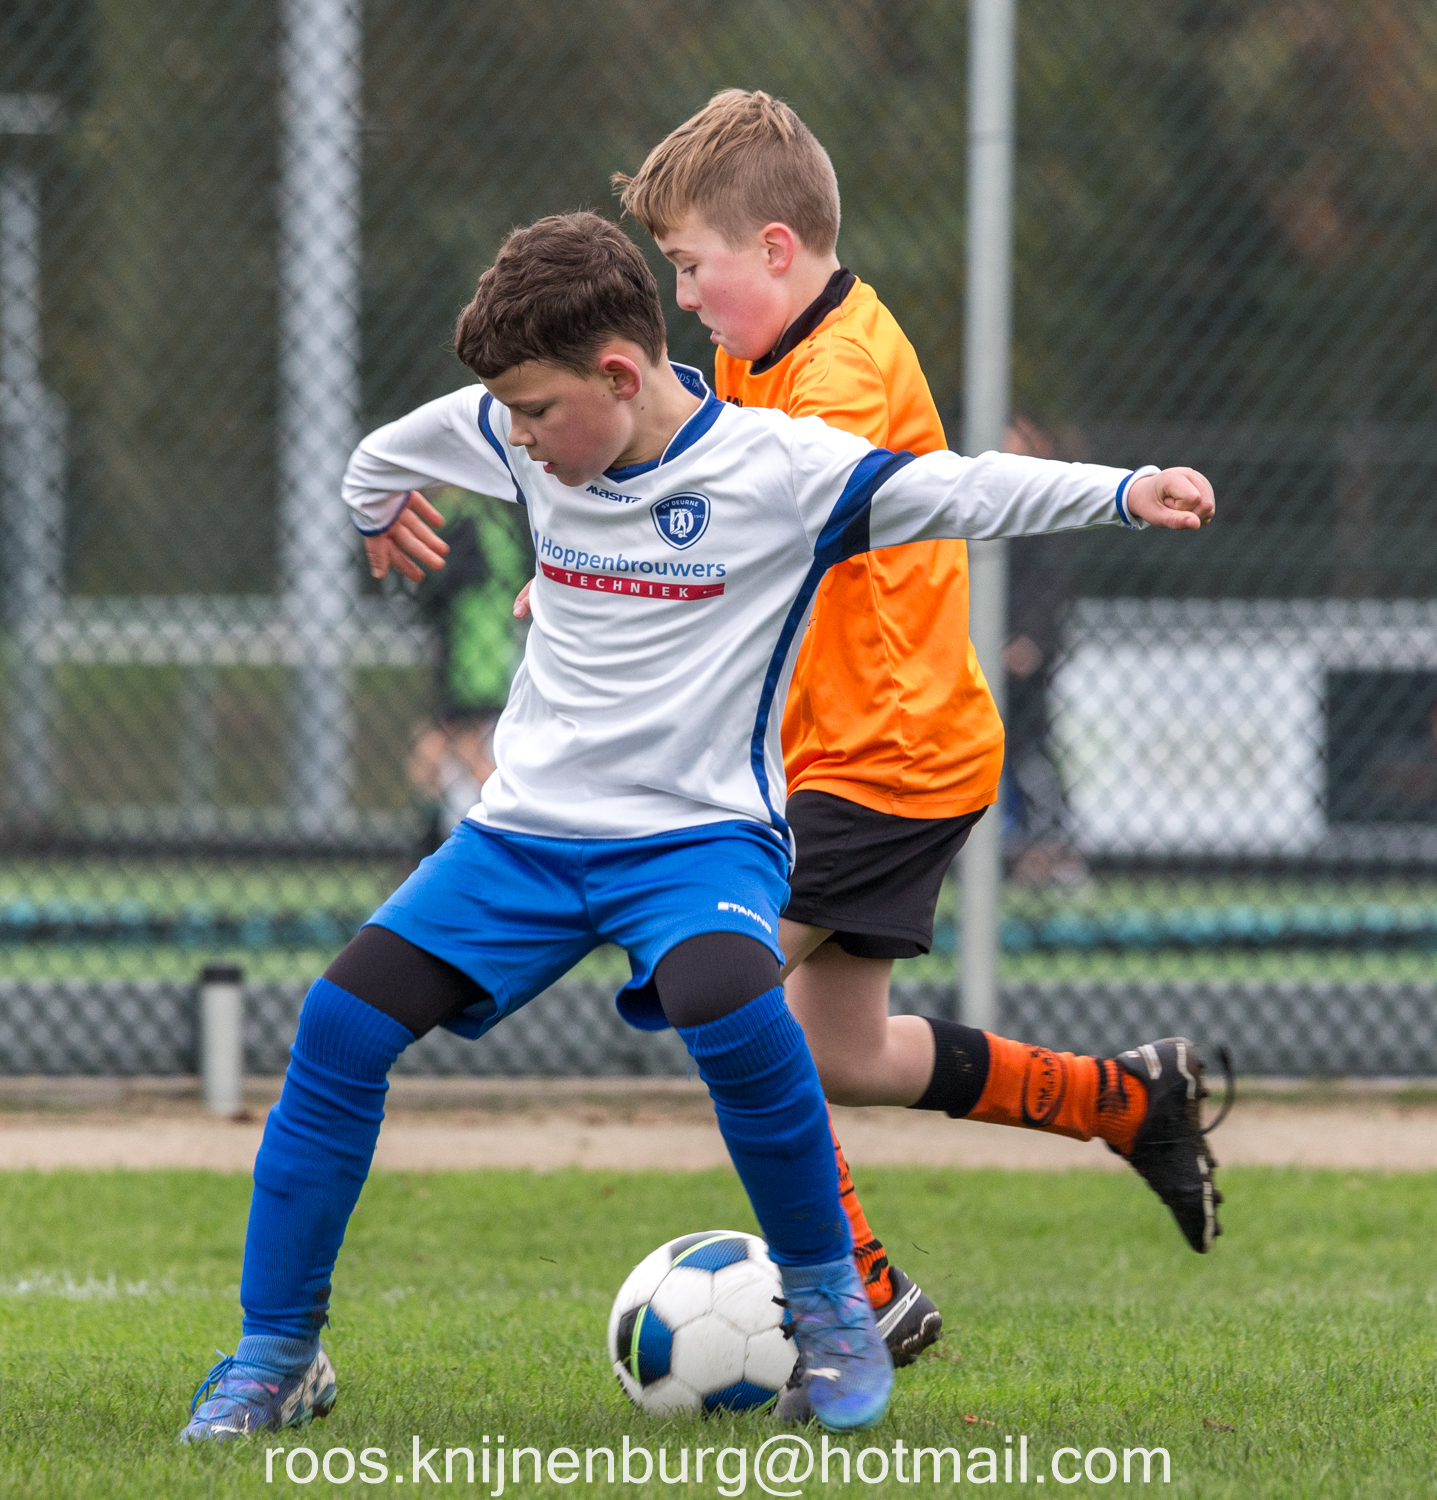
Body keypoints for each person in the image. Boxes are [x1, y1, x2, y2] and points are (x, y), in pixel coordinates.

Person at [180, 210, 1213, 1443]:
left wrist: (1123, 494)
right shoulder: (514, 428)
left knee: (732, 1003)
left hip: (697, 841)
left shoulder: (779, 469)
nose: (515, 439)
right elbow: (383, 452)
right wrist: (372, 508)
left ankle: (835, 1311)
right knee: (340, 1024)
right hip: (521, 838)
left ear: (620, 377)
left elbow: (957, 488)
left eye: (535, 412)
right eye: (505, 415)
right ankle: (277, 1356)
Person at [512, 93, 1227, 1378]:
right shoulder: (765, 346)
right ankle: (1128, 1101)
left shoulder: (835, 382)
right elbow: (684, 455)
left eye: (692, 268)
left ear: (776, 248)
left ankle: (859, 1290)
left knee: (719, 992)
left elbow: (744, 522)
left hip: (883, 757)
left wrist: (615, 573)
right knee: (839, 1050)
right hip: (854, 754)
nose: (683, 298)